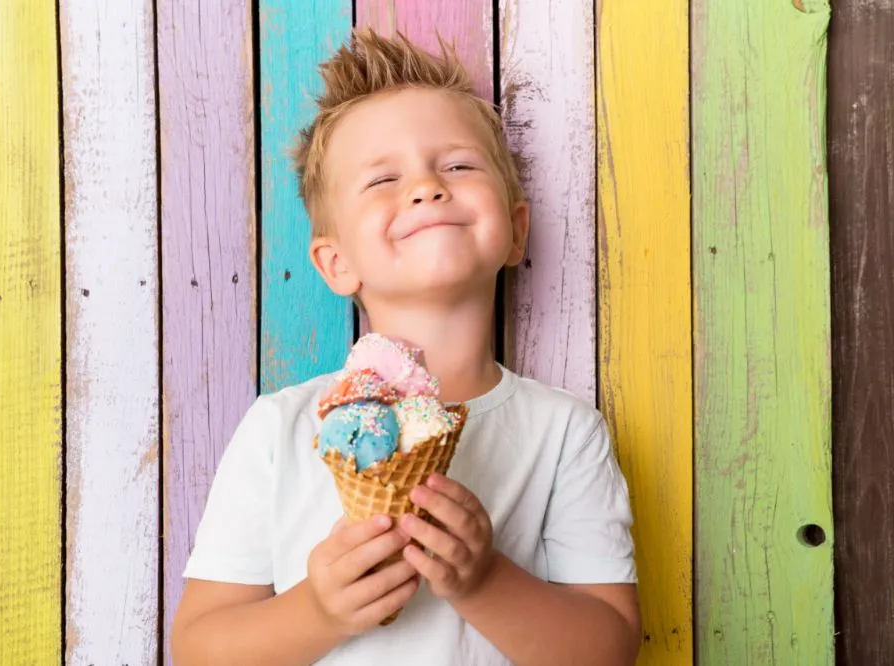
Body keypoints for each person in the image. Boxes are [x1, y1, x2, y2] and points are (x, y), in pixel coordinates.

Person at [171, 27, 640, 665]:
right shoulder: (279, 430)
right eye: (382, 179)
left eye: (458, 165)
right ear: (336, 263)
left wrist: (486, 582)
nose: (425, 186)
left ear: (515, 230)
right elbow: (199, 649)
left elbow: (608, 649)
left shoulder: (564, 433)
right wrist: (317, 611)